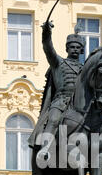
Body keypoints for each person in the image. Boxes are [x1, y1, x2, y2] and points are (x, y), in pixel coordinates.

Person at [28, 20, 85, 163]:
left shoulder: (85, 69)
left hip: (79, 105)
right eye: (72, 47)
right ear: (67, 49)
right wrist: (46, 32)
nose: (75, 49)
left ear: (82, 50)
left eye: (78, 47)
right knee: (53, 119)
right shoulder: (58, 63)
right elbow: (48, 48)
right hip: (60, 102)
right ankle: (45, 150)